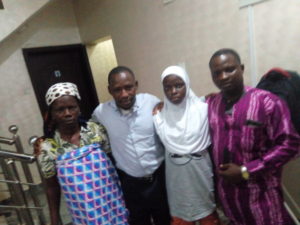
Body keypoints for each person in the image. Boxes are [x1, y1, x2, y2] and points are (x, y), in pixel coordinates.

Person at [206, 48, 300, 225]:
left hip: (262, 197)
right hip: (229, 199)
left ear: (241, 68)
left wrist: (245, 171)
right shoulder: (210, 105)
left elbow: (289, 144)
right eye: (217, 73)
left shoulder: (268, 102)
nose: (223, 77)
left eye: (229, 69)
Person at [37, 82, 128, 225]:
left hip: (111, 202)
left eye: (71, 107)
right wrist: (54, 219)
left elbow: (113, 165)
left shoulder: (96, 131)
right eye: (60, 109)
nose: (67, 113)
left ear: (78, 109)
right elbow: (52, 187)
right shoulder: (47, 147)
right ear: (52, 114)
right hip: (83, 211)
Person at [92, 66, 171, 225]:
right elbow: (83, 131)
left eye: (128, 87)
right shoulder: (101, 113)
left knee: (165, 220)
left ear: (136, 85)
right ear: (109, 90)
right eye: (117, 89)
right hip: (130, 184)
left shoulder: (151, 102)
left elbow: (174, 113)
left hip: (159, 179)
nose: (124, 94)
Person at [153, 65, 221, 225]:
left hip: (201, 173)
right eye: (168, 87)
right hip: (176, 179)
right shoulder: (159, 116)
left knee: (208, 216)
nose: (173, 91)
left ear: (187, 84)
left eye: (178, 85)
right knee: (180, 218)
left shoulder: (203, 110)